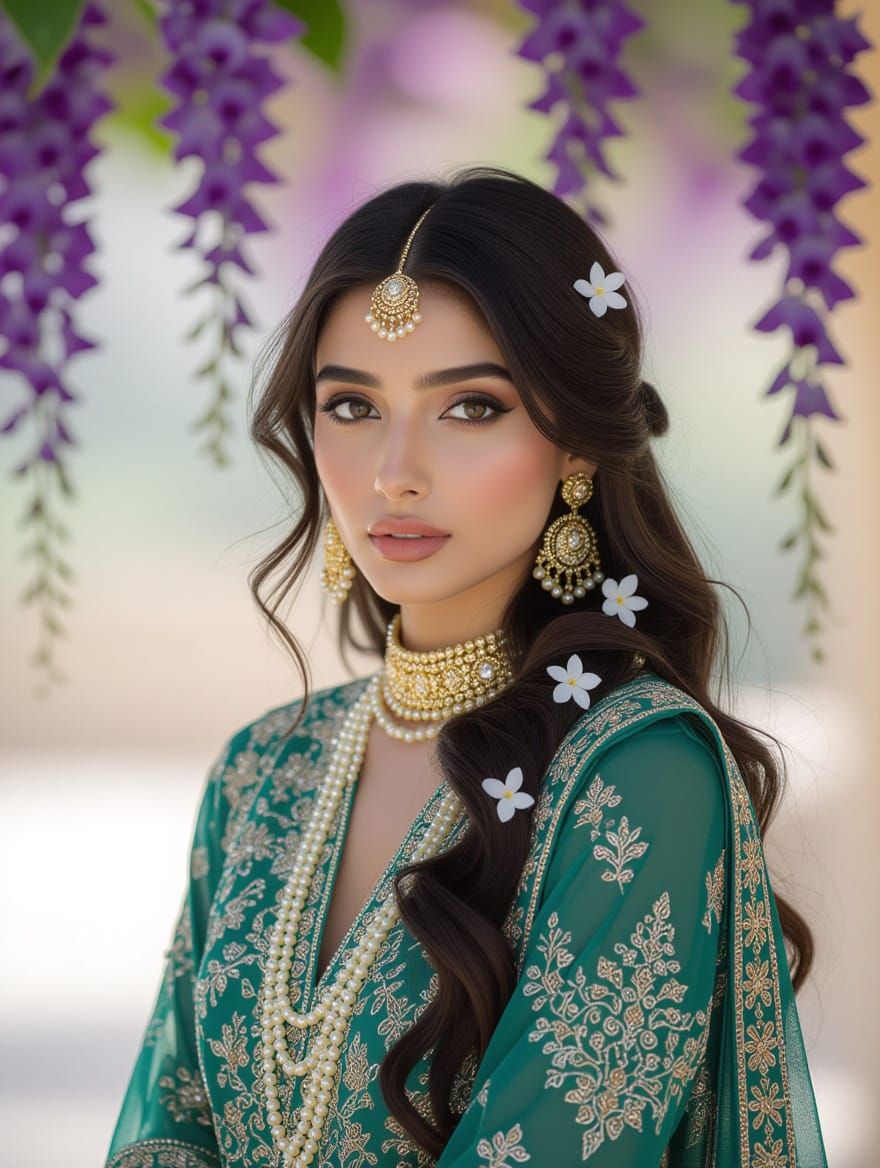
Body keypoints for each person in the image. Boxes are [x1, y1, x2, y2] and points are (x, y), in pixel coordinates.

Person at [105, 165, 828, 1167]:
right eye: (352, 406)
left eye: (470, 407)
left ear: (574, 443)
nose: (395, 468)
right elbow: (166, 1129)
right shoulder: (264, 769)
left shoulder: (637, 776)